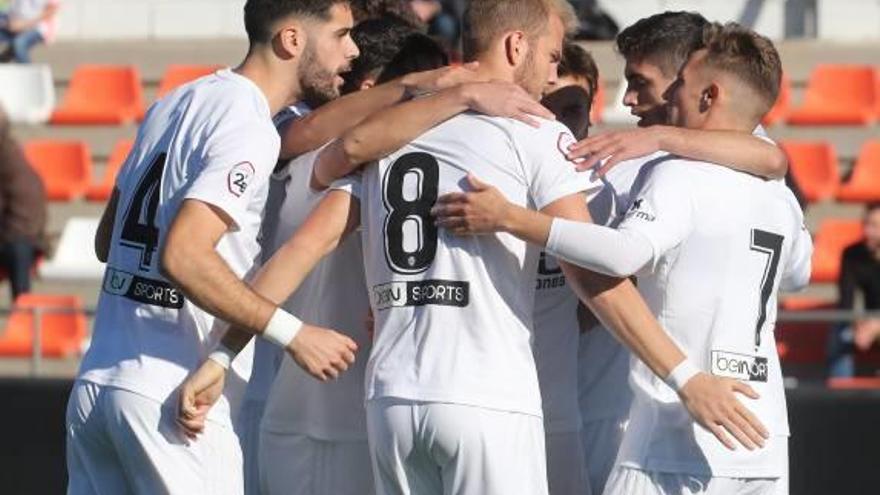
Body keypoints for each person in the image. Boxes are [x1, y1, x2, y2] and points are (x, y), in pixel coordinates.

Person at [182, 2, 773, 495]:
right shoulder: (534, 130)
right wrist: (686, 378)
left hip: (390, 403)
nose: (550, 74)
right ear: (515, 47)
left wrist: (218, 356)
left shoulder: (394, 132)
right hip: (488, 402)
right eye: (549, 55)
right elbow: (595, 276)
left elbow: (303, 248)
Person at [434, 22, 812, 495]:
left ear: (709, 94)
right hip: (762, 434)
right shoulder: (774, 190)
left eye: (674, 84)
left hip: (674, 435)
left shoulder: (678, 175)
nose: (639, 100)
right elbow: (799, 273)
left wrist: (510, 218)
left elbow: (621, 255)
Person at [65, 1, 364, 493]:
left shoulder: (174, 101)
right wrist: (295, 334)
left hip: (98, 386)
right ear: (292, 40)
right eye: (341, 35)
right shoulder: (247, 122)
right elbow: (183, 254)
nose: (351, 51)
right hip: (170, 398)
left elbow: (107, 239)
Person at [256, 31, 450, 495]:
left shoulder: (379, 167)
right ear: (371, 94)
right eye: (425, 99)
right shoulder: (323, 161)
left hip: (324, 414)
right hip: (324, 415)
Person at [532, 41, 598, 495]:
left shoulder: (610, 189)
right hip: (500, 407)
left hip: (577, 413)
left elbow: (601, 299)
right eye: (548, 109)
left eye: (572, 108)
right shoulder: (502, 177)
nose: (561, 125)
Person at [0, 106, 46, 303]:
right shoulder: (10, 151)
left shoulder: (6, 155)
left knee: (22, 301)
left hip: (17, 233)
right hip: (23, 233)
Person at [829, 202, 880, 377]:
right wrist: (858, 324)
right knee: (840, 331)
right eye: (866, 224)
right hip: (867, 321)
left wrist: (877, 325)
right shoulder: (852, 254)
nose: (868, 231)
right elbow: (846, 300)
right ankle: (841, 396)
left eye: (874, 226)